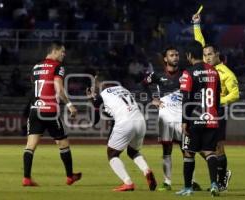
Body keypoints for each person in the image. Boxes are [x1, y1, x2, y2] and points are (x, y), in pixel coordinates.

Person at [141, 46, 201, 191]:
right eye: (172, 55)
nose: (175, 57)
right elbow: (144, 84)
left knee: (186, 149)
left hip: (182, 116)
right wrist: (152, 99)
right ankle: (167, 182)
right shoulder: (157, 75)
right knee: (166, 150)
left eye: (176, 55)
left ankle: (192, 182)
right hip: (165, 116)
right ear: (166, 59)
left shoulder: (185, 74)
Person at [22, 41, 82, 186]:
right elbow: (59, 89)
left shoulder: (35, 67)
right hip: (50, 111)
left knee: (30, 146)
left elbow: (34, 89)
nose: (64, 54)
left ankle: (26, 178)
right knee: (63, 143)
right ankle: (69, 176)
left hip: (35, 110)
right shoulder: (57, 67)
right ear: (54, 51)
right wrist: (69, 105)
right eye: (62, 51)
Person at [192, 13, 240, 191]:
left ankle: (222, 179)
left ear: (217, 54)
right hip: (202, 111)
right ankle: (221, 174)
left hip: (217, 112)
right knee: (198, 145)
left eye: (210, 54)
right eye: (205, 54)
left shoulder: (226, 73)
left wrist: (218, 101)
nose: (207, 57)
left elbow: (235, 94)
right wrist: (196, 24)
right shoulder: (205, 68)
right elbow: (199, 41)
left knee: (218, 147)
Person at [87, 72, 157, 192]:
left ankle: (127, 183)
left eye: (95, 82)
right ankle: (146, 170)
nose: (95, 85)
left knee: (112, 155)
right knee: (133, 151)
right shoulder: (123, 89)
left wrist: (91, 100)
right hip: (140, 120)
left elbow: (95, 120)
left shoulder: (102, 94)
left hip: (125, 122)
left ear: (100, 83)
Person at [176, 40, 221, 197]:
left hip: (194, 118)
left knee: (188, 153)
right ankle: (214, 185)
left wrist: (184, 121)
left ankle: (188, 188)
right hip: (212, 118)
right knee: (210, 152)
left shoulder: (188, 73)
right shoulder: (215, 72)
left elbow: (186, 99)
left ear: (189, 55)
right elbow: (218, 98)